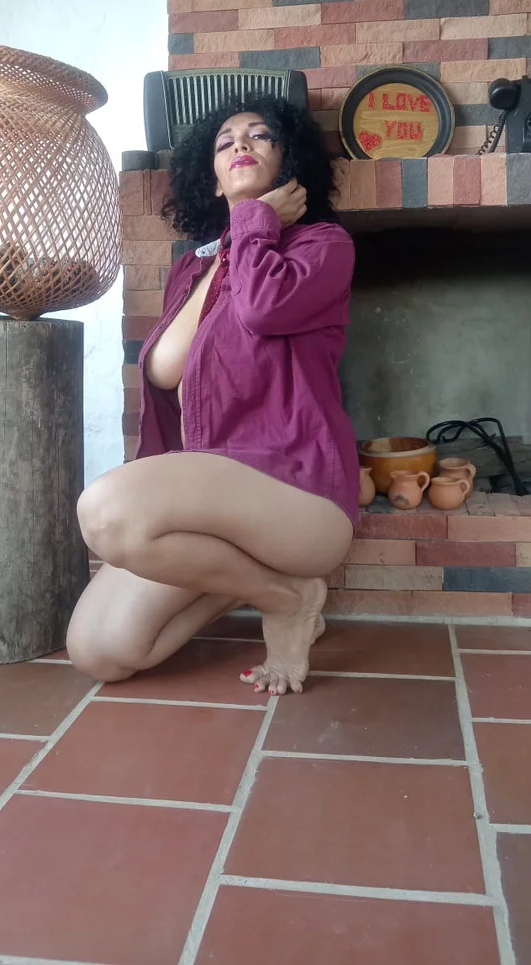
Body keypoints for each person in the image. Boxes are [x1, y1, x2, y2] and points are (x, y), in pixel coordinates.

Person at [68, 95, 360, 695]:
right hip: (212, 498)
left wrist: (254, 221)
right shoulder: (192, 271)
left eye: (260, 135)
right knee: (99, 651)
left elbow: (262, 308)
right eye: (224, 142)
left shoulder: (323, 246)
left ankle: (284, 602)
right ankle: (275, 588)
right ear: (211, 176)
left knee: (106, 511)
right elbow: (164, 371)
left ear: (291, 160)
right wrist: (235, 241)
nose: (240, 145)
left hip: (297, 493)